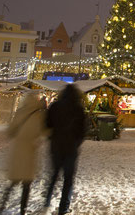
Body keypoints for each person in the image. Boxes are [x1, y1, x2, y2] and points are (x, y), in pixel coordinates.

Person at [0, 94, 46, 215]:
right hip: (30, 153)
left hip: (18, 152)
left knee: (13, 181)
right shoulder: (38, 116)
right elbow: (42, 132)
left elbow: (10, 132)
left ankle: (2, 205)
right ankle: (22, 210)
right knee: (26, 185)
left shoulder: (20, 113)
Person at [44, 84, 87, 214]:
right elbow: (83, 130)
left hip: (56, 146)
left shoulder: (55, 107)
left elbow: (47, 124)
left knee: (54, 175)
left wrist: (52, 137)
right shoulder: (78, 108)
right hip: (71, 148)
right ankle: (64, 207)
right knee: (68, 179)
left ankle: (46, 203)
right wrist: (76, 142)